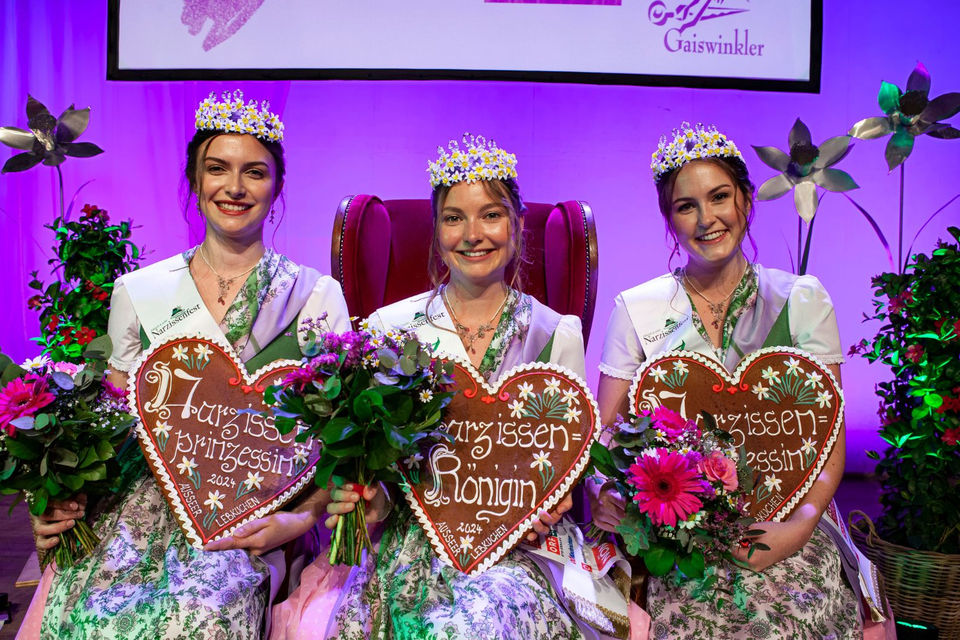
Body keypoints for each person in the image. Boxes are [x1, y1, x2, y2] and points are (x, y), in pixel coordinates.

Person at [270, 135, 639, 640]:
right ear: (436, 232)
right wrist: (371, 500)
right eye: (453, 218)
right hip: (415, 542)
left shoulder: (557, 333)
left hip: (522, 547)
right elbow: (376, 464)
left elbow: (565, 463)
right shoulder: (390, 328)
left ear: (516, 225)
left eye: (490, 214)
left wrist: (550, 505)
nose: (473, 234)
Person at [21, 91, 352, 640]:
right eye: (216, 169)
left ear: (278, 187)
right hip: (144, 507)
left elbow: (334, 434)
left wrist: (301, 518)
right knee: (93, 615)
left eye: (255, 172)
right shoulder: (140, 291)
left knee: (202, 615)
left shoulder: (315, 295)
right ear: (195, 182)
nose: (235, 187)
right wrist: (61, 498)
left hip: (253, 505)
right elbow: (118, 429)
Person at [589, 123, 889, 639]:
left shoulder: (802, 301)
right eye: (686, 206)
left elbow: (830, 445)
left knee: (795, 614)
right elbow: (606, 440)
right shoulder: (636, 310)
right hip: (675, 533)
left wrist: (798, 527)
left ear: (746, 200)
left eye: (720, 197)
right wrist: (604, 493)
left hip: (787, 515)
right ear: (670, 221)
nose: (707, 219)